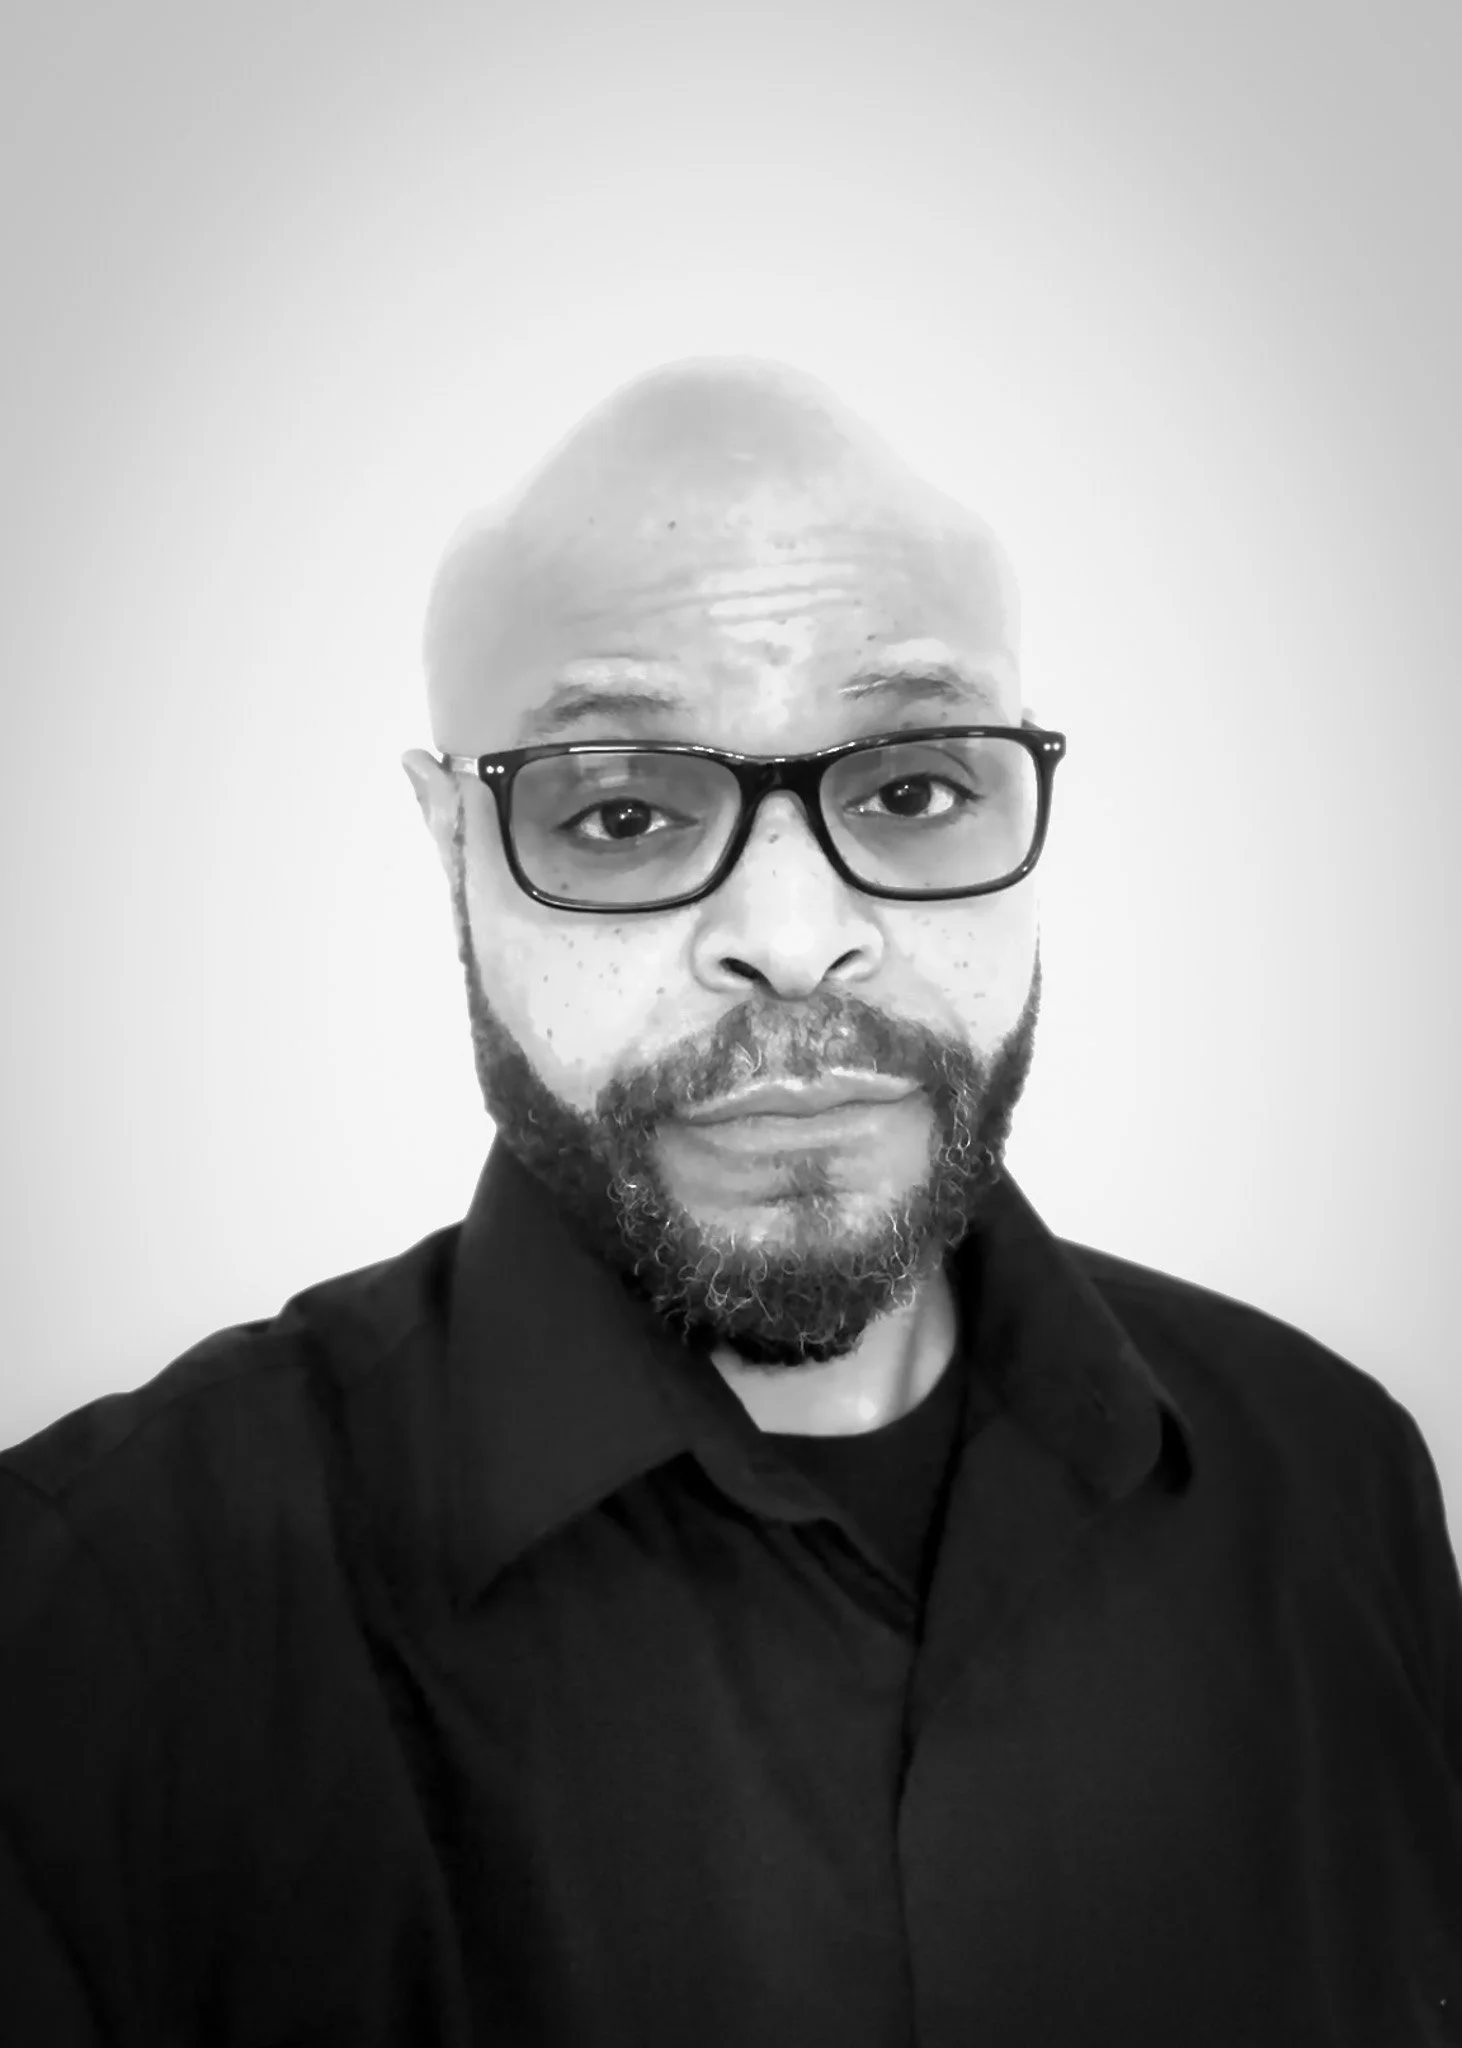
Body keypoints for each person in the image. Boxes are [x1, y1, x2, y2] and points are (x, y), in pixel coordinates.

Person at [2, 357, 1459, 2048]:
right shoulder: (82, 1624)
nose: (790, 928)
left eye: (910, 788)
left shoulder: (1332, 1477)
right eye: (619, 812)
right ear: (446, 846)